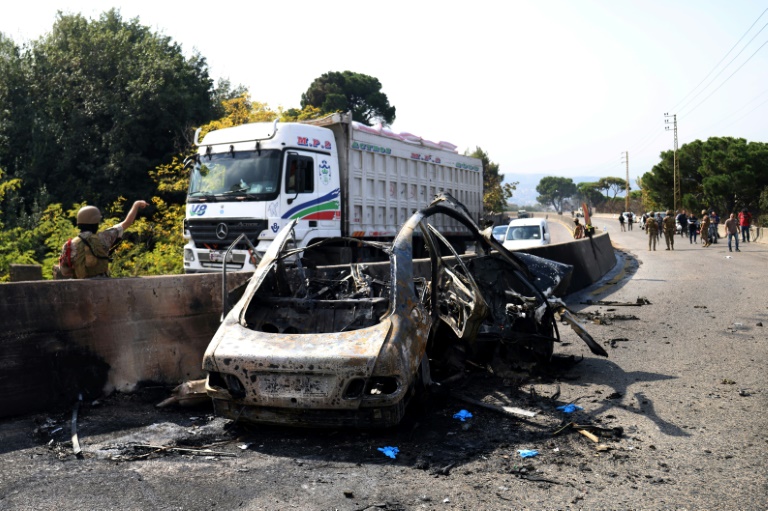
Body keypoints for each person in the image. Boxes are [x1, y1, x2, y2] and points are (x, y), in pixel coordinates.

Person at [56, 200, 149, 279]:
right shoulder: (104, 237)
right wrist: (136, 204)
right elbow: (127, 223)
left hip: (79, 287)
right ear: (96, 223)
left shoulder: (68, 245)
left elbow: (65, 272)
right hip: (102, 283)